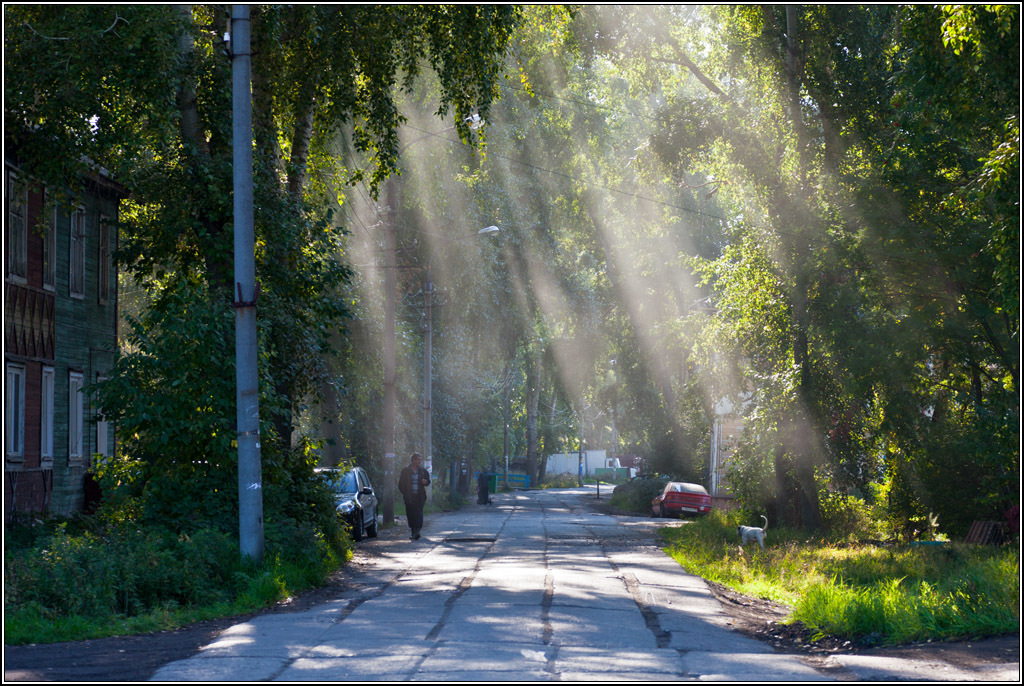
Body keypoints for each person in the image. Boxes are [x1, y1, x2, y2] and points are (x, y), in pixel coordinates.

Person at [398, 452, 430, 539]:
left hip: (420, 496)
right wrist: (405, 493)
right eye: (418, 459)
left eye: (420, 459)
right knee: (411, 514)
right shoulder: (405, 471)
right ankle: (413, 532)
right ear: (413, 460)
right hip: (409, 496)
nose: (420, 461)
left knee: (419, 513)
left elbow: (428, 482)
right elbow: (401, 484)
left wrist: (425, 482)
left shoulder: (423, 471)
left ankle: (417, 531)